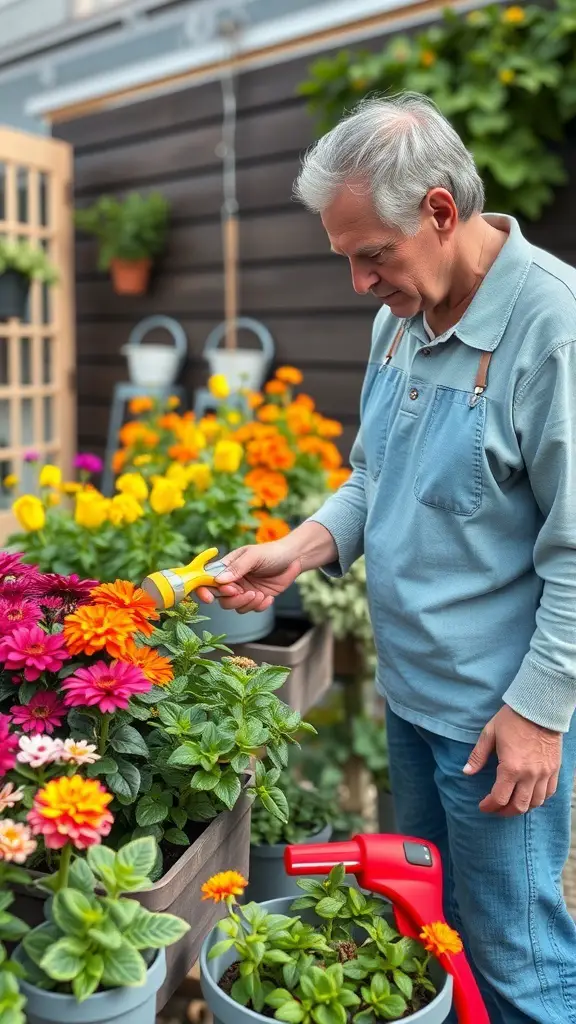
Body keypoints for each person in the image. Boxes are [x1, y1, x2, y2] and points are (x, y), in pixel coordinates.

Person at [198, 92, 576, 1023]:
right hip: (411, 697)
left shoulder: (552, 328)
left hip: (495, 722)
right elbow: (375, 479)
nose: (361, 283)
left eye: (374, 255)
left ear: (441, 212)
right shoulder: (399, 321)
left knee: (515, 959)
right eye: (348, 259)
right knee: (429, 931)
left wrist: (540, 711)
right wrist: (298, 548)